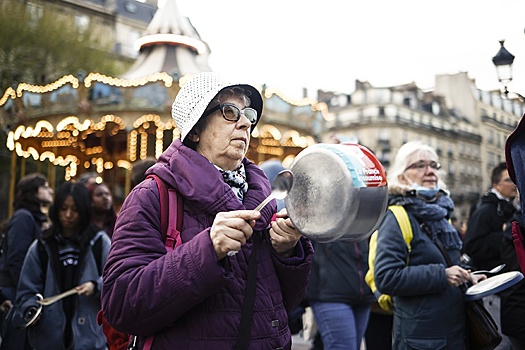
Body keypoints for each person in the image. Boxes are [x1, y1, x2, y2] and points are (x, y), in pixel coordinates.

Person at [101, 72, 314, 349]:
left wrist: (286, 252)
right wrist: (207, 250)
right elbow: (121, 304)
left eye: (248, 113)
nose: (246, 122)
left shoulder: (263, 198)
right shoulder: (151, 196)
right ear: (196, 130)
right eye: (229, 112)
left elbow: (281, 304)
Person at [373, 141, 485, 349]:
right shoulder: (396, 215)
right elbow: (386, 278)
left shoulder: (441, 214)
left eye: (434, 165)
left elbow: (449, 264)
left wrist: (467, 277)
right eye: (420, 165)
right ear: (401, 176)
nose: (430, 171)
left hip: (455, 332)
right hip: (421, 339)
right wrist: (442, 275)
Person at [13, 182, 111, 350]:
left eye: (75, 210)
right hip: (47, 339)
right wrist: (31, 309)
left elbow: (115, 279)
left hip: (91, 339)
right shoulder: (42, 246)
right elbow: (26, 291)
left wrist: (96, 286)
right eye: (63, 208)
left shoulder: (100, 242)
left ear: (84, 211)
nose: (68, 215)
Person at [462, 162, 517, 350]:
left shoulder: (509, 207)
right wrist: (506, 235)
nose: (514, 184)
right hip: (493, 286)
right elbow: (472, 245)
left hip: (507, 286)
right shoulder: (486, 210)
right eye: (508, 180)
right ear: (495, 184)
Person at [0, 173, 53, 350]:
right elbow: (16, 258)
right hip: (16, 290)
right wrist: (26, 291)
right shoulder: (24, 217)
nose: (50, 190)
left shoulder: (37, 219)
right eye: (45, 187)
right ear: (33, 192)